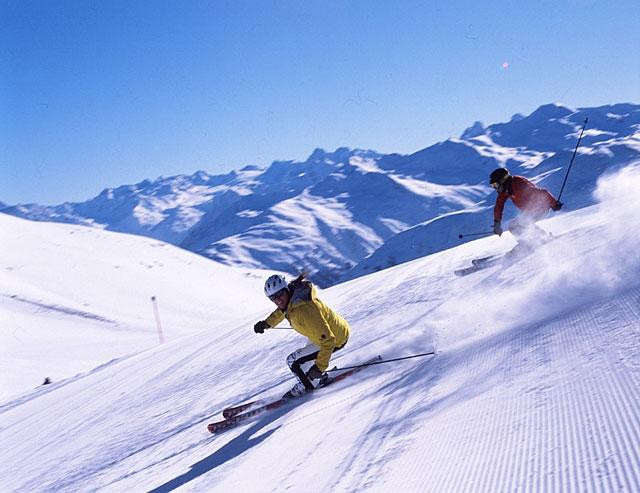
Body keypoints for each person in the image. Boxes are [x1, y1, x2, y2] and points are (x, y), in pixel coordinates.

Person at [254, 273, 350, 398]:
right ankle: (314, 380)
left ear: (286, 290)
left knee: (293, 362)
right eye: (273, 298)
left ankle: (308, 386)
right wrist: (266, 323)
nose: (278, 300)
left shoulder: (303, 309)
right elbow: (282, 311)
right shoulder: (293, 299)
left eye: (280, 295)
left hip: (336, 338)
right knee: (303, 360)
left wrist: (319, 368)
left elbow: (329, 340)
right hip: (327, 334)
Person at [489, 167, 562, 255]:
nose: (496, 188)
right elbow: (499, 206)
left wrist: (554, 204)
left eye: (496, 185)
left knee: (519, 224)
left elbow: (543, 192)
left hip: (540, 207)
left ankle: (539, 240)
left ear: (503, 180)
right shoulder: (506, 189)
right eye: (493, 186)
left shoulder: (519, 185)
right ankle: (532, 241)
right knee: (516, 225)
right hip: (529, 210)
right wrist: (497, 223)